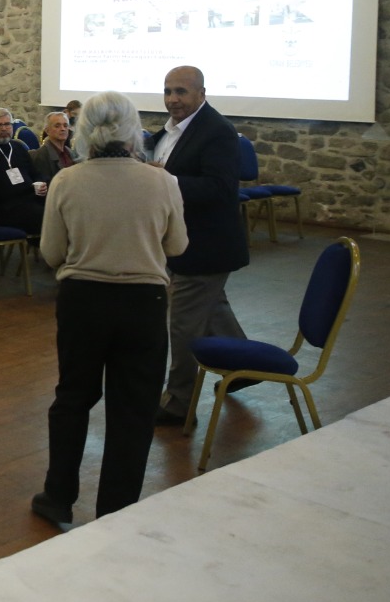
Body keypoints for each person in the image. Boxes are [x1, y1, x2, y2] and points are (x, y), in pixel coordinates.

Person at [33, 91, 187, 526]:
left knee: (73, 398)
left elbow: (51, 252)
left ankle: (57, 496)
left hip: (83, 300)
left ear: (83, 130)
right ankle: (116, 509)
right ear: (132, 129)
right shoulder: (163, 181)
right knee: (134, 408)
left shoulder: (67, 180)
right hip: (143, 303)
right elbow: (177, 245)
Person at [149, 65, 252, 427]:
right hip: (184, 241)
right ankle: (245, 369)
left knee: (183, 324)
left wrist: (166, 180)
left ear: (201, 94)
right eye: (168, 91)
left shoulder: (217, 132)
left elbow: (220, 189)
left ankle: (178, 403)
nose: (173, 99)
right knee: (212, 309)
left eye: (181, 92)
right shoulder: (169, 130)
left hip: (205, 245)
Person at [30, 111, 79, 186]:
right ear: (47, 130)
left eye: (65, 125)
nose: (63, 129)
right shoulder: (41, 155)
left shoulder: (70, 153)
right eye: (57, 126)